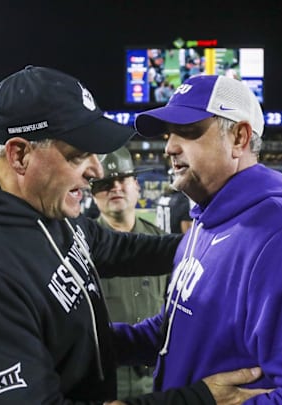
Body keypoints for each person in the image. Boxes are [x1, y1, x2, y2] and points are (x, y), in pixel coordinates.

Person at [0, 66, 268, 404]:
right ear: (19, 155)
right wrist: (199, 399)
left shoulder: (38, 207)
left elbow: (117, 249)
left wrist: (217, 247)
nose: (96, 171)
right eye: (79, 155)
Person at [120, 74, 282, 403]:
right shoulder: (209, 219)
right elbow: (181, 329)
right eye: (169, 134)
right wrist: (85, 342)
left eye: (188, 131)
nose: (169, 147)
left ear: (239, 138)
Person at [90, 146, 167, 397]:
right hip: (105, 383)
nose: (115, 187)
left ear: (137, 186)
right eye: (105, 183)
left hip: (156, 382)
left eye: (122, 179)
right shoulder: (78, 248)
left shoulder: (162, 244)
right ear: (92, 193)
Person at [155, 170, 192, 234]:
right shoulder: (182, 200)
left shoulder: (162, 197)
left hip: (160, 240)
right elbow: (187, 233)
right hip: (175, 242)